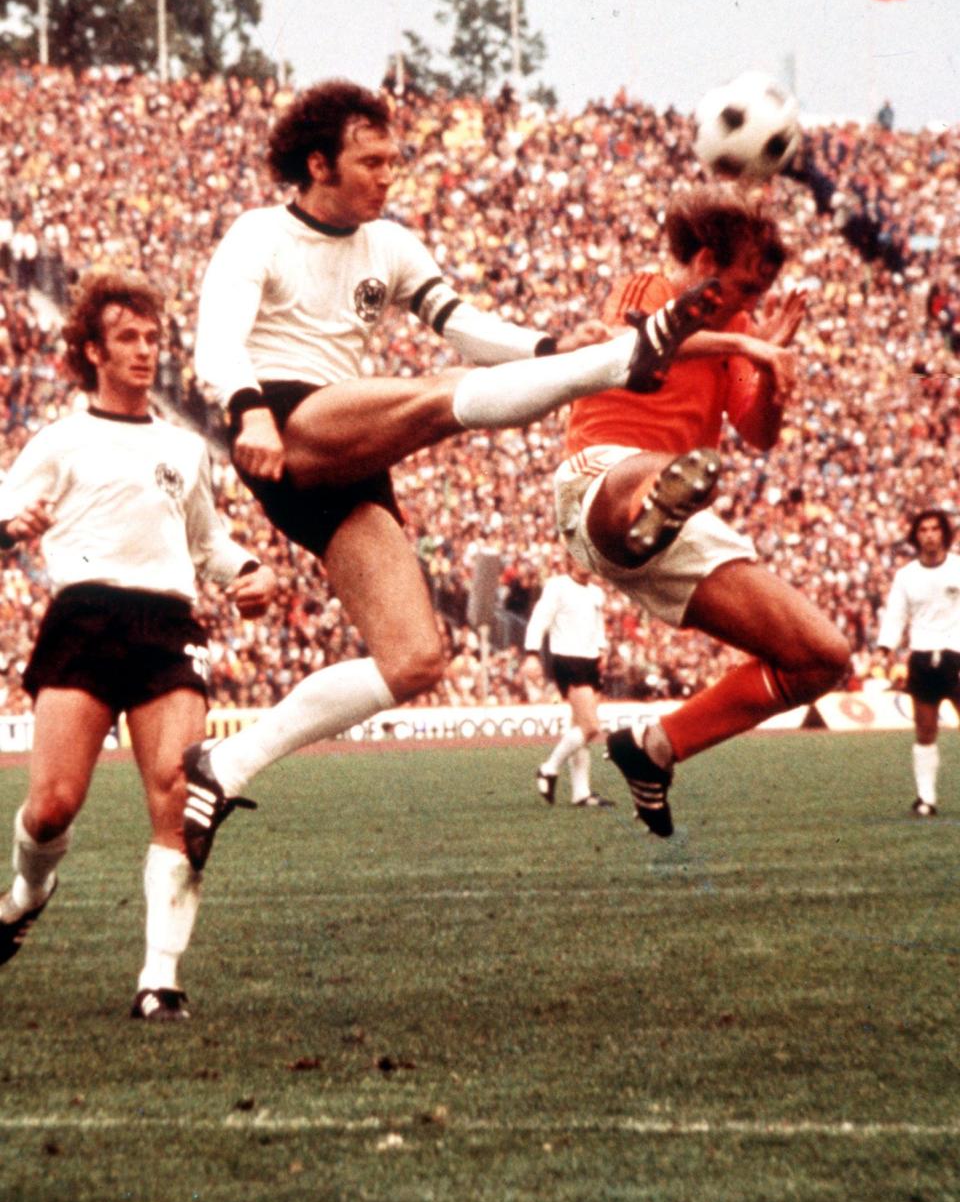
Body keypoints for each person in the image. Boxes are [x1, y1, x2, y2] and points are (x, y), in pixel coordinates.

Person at [182, 78, 720, 870]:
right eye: (372, 161)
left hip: (352, 449)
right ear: (318, 162)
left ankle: (222, 767)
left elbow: (463, 327)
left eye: (394, 160)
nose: (389, 175)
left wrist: (546, 345)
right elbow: (216, 341)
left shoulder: (390, 245)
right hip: (286, 419)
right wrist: (247, 410)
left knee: (415, 659)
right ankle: (620, 361)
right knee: (436, 397)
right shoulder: (258, 235)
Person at [0, 271, 276, 1019]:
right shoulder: (58, 441)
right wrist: (8, 530)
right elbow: (3, 515)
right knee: (53, 806)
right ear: (90, 349)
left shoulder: (185, 450)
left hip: (166, 626)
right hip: (83, 619)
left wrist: (247, 573)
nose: (145, 351)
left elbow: (209, 545)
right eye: (127, 337)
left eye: (153, 338)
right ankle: (25, 895)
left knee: (176, 794)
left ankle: (160, 980)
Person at [550, 184, 850, 836]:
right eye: (745, 287)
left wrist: (771, 369)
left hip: (685, 515)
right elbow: (639, 349)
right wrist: (748, 347)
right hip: (597, 479)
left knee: (823, 657)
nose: (752, 306)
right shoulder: (646, 288)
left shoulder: (740, 332)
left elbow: (760, 434)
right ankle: (651, 505)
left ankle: (654, 748)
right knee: (659, 477)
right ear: (706, 259)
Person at [876, 508, 960, 817]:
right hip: (923, 658)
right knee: (925, 732)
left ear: (944, 534)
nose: (929, 535)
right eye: (923, 530)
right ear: (916, 536)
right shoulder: (906, 576)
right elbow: (896, 615)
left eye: (934, 529)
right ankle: (926, 799)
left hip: (956, 655)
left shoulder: (957, 568)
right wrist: (885, 648)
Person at [523, 559, 614, 808]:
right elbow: (539, 620)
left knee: (579, 728)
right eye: (580, 557)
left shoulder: (596, 593)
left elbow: (597, 627)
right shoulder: (558, 586)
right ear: (570, 560)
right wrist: (531, 653)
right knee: (591, 726)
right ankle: (549, 768)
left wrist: (601, 650)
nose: (586, 563)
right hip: (567, 660)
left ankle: (580, 793)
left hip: (590, 661)